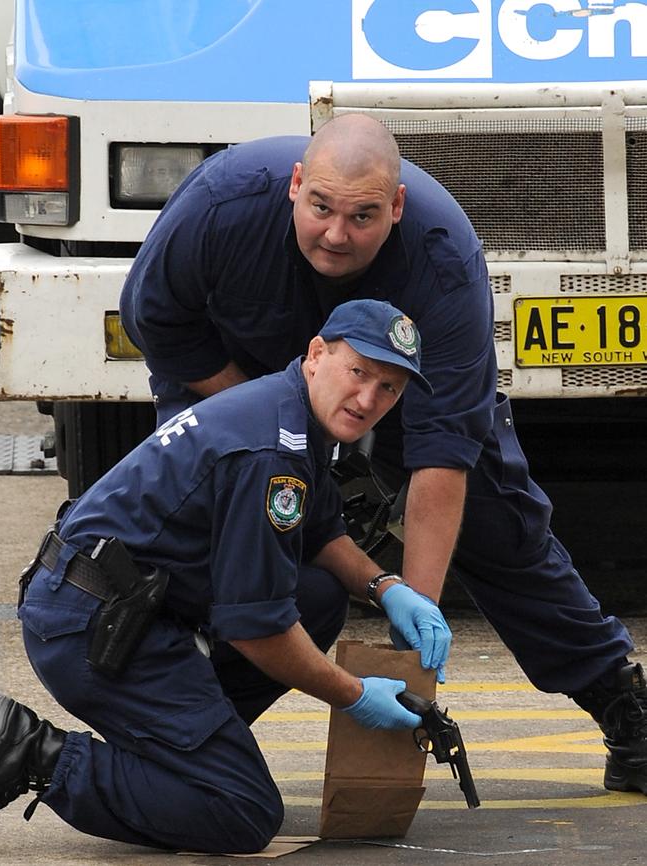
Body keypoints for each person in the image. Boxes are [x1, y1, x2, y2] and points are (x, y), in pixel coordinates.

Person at [119, 113, 647, 796]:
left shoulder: (442, 260)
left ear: (395, 208)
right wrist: (274, 429)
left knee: (499, 521)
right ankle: (179, 733)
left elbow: (443, 461)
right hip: (235, 374)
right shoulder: (219, 207)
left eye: (363, 217)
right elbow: (156, 318)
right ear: (295, 186)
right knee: (210, 520)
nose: (336, 235)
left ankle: (619, 699)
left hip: (397, 374)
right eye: (321, 209)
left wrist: (414, 620)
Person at [0, 299, 451, 853]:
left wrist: (390, 589)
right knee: (243, 812)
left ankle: (190, 753)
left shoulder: (291, 410)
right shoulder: (269, 454)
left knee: (320, 596)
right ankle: (29, 751)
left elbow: (322, 533)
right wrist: (354, 695)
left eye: (389, 389)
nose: (368, 399)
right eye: (359, 372)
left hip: (120, 603)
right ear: (317, 355)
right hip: (92, 627)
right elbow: (256, 627)